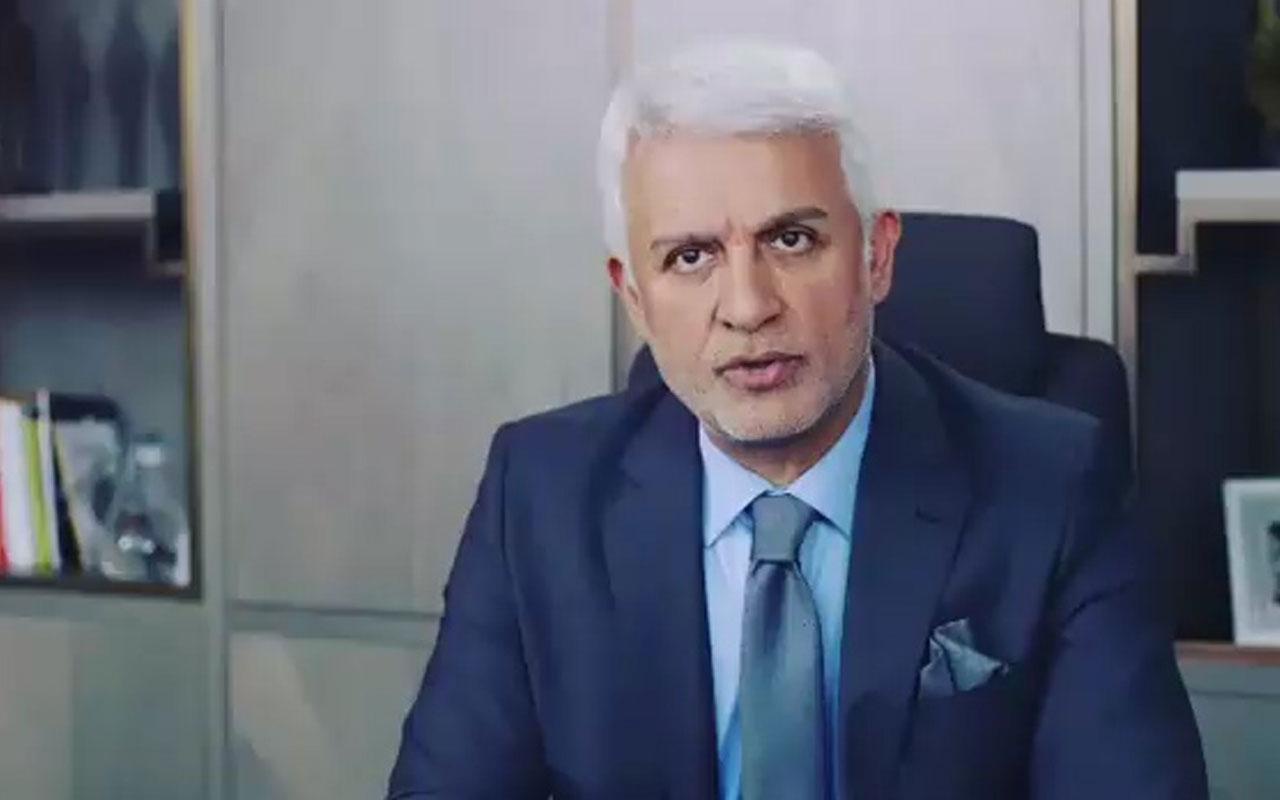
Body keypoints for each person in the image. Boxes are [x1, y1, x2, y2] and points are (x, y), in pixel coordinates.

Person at [388, 41, 1206, 800]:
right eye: (690, 257)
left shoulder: (1053, 488)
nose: (747, 307)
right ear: (633, 297)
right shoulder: (538, 498)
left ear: (876, 256)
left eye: (791, 239)